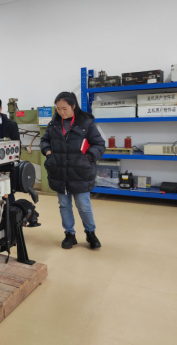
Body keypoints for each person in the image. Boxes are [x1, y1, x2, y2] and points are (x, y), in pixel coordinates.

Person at [40, 92, 105, 250]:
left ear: (73, 106)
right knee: (64, 205)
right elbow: (45, 140)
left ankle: (90, 233)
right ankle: (69, 234)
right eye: (58, 109)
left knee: (83, 205)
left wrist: (88, 157)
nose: (61, 112)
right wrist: (48, 152)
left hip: (80, 172)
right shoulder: (54, 124)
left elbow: (99, 144)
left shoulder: (86, 123)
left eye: (64, 108)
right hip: (59, 171)